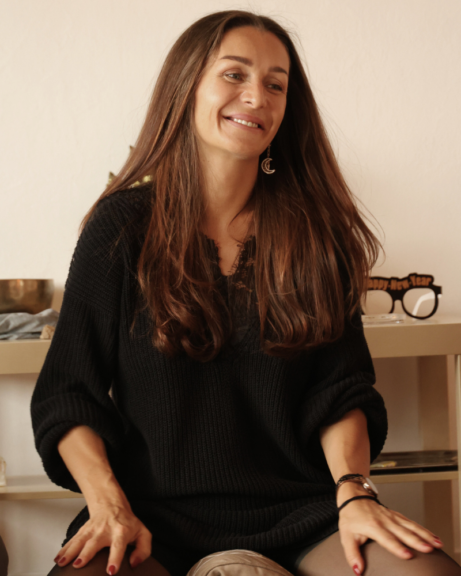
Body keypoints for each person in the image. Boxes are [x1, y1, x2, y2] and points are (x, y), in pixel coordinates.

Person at [30, 9, 461, 576]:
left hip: (301, 512)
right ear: (186, 87)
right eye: (234, 74)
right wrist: (108, 503)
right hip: (151, 515)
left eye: (276, 84)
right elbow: (69, 394)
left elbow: (340, 391)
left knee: (428, 572)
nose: (257, 96)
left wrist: (354, 492)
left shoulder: (315, 234)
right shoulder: (121, 227)